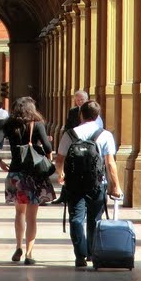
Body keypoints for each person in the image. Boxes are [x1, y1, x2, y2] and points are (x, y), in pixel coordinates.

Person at [55, 100, 122, 269]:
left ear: (81, 115)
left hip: (74, 184)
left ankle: (80, 255)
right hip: (97, 183)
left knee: (76, 220)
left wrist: (60, 173)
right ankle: (93, 252)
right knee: (95, 219)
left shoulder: (70, 134)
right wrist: (116, 185)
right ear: (97, 116)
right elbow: (110, 163)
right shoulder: (105, 135)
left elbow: (60, 158)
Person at [0, 95, 55, 266]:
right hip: (34, 175)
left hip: (16, 174)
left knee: (19, 213)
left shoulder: (8, 125)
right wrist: (47, 152)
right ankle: (29, 252)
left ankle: (18, 246)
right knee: (32, 217)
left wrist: (0, 162)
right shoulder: (37, 124)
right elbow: (48, 148)